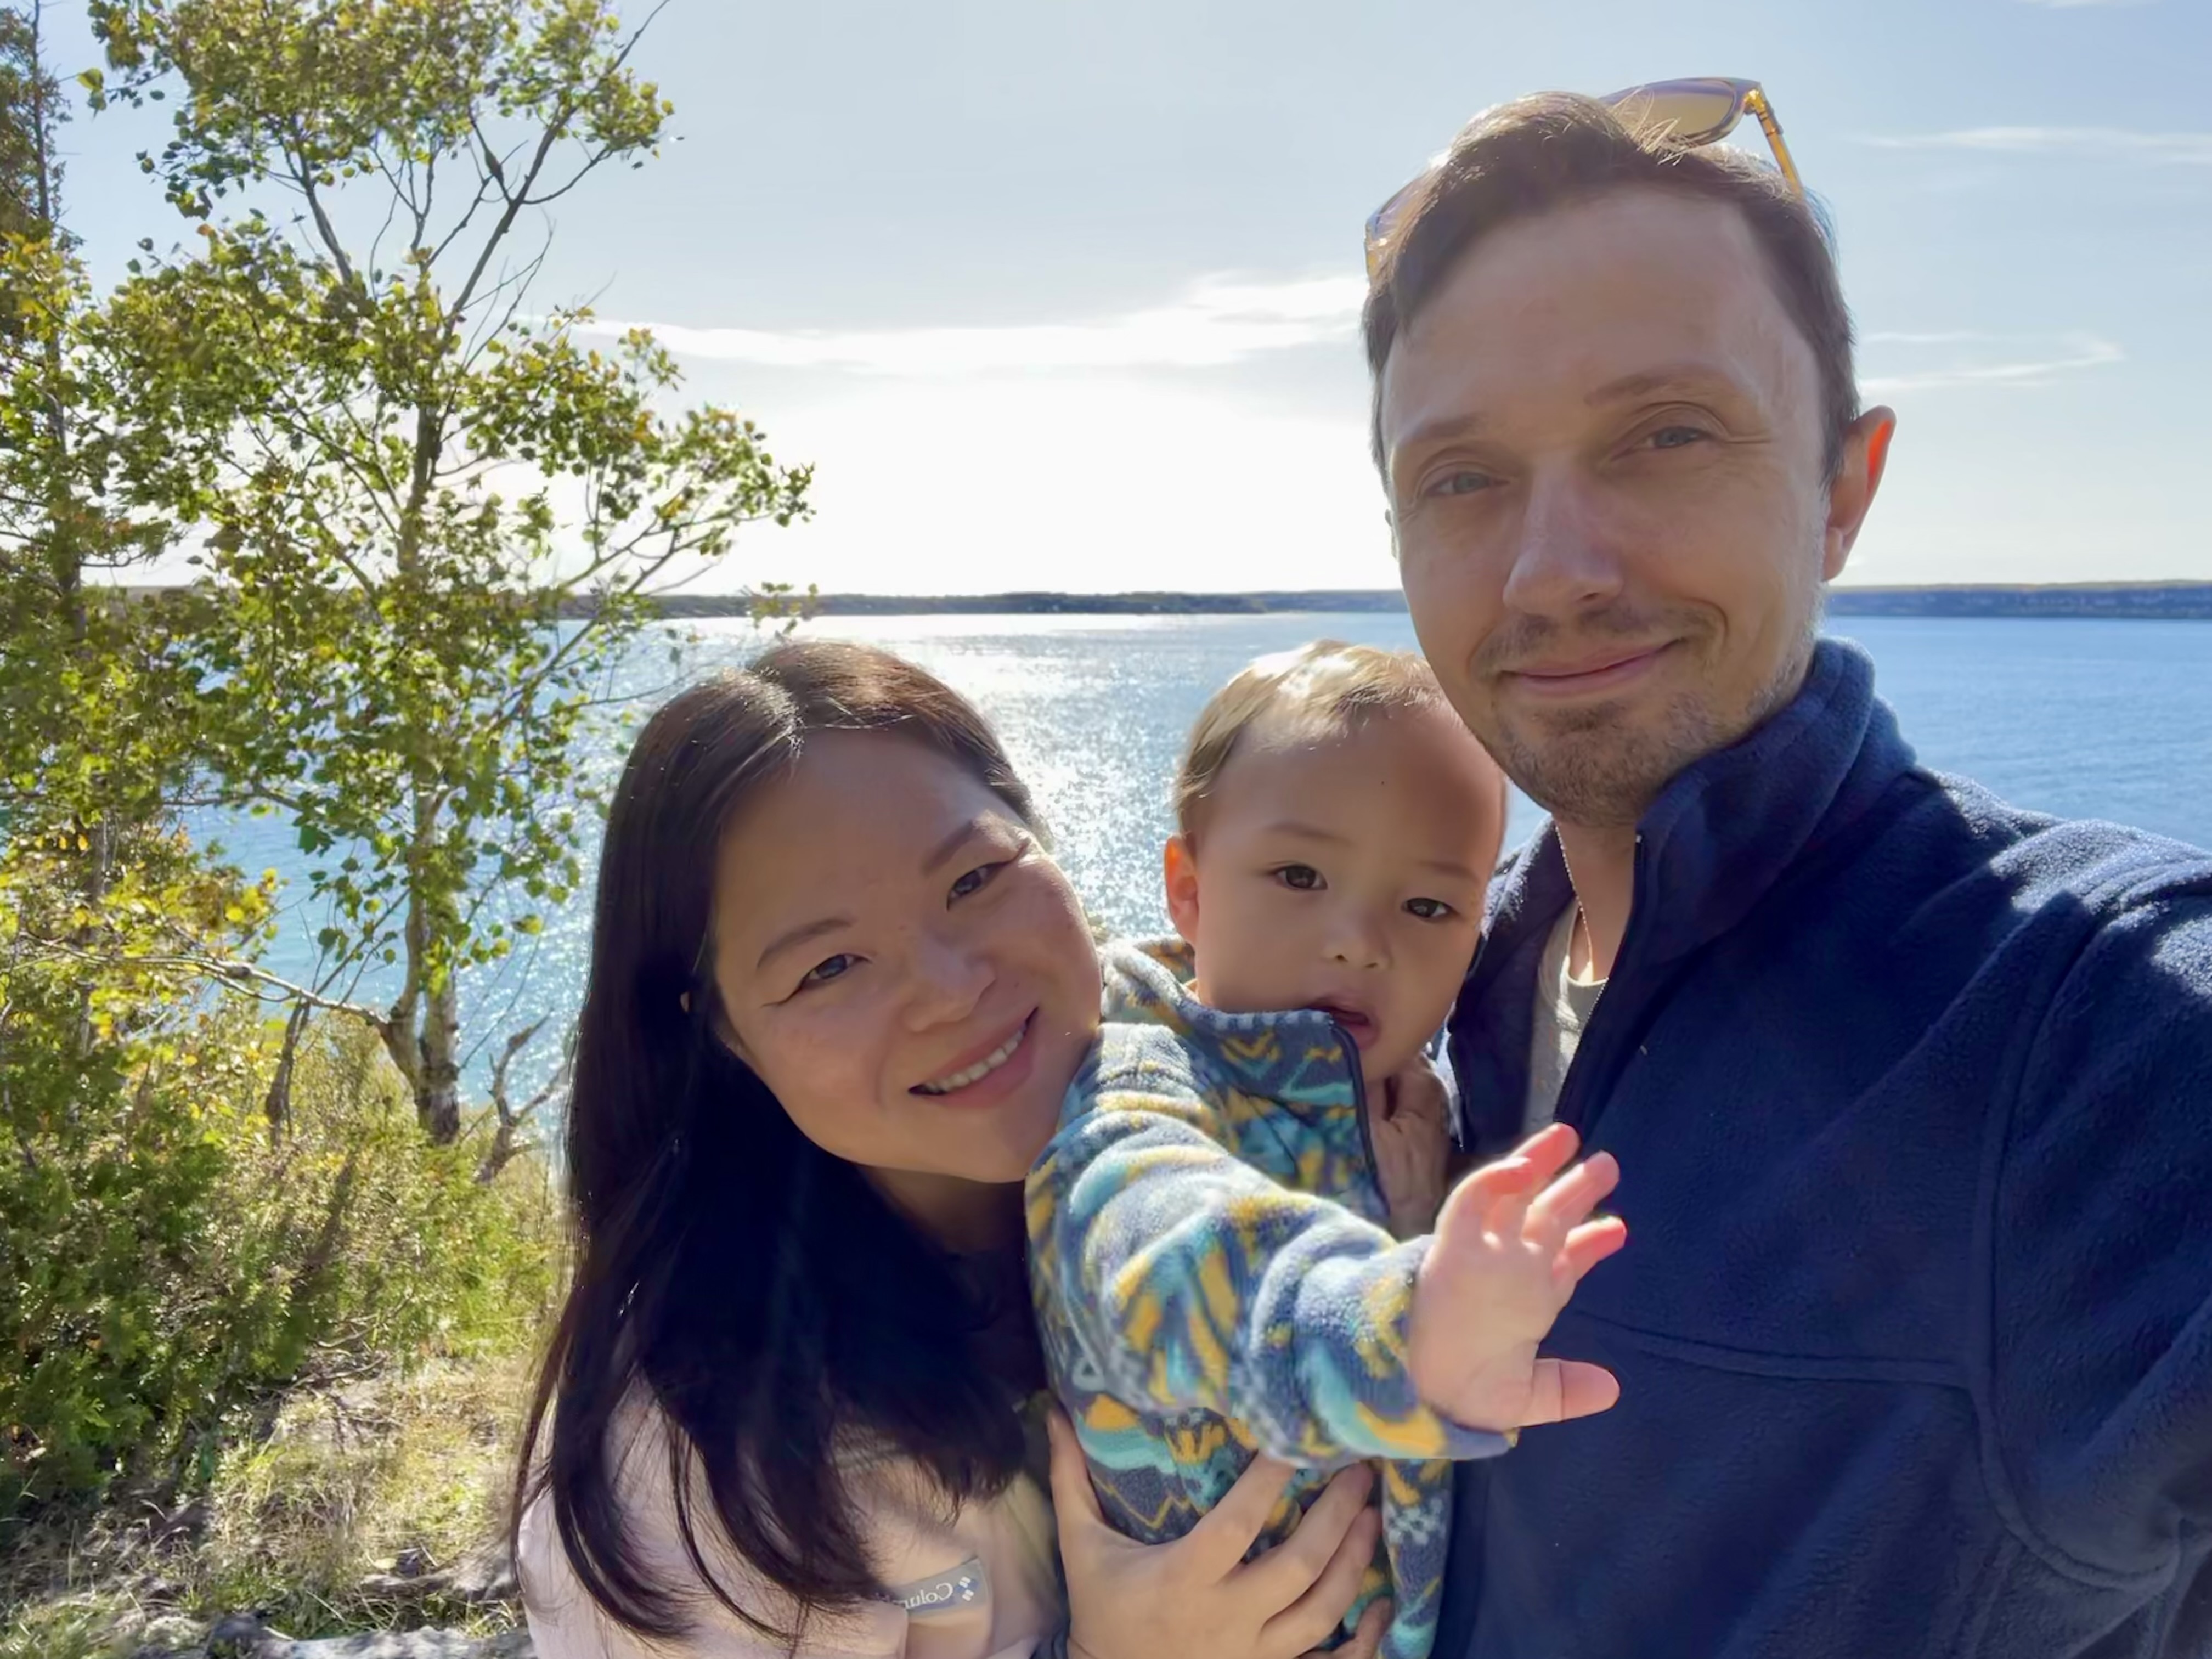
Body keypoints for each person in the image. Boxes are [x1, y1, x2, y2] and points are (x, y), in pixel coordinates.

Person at [1359, 92, 2212, 1657]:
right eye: (1463, 478)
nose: (1552, 569)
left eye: (1664, 434)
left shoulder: (2090, 1024)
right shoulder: (1442, 991)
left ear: (1844, 490)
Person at [510, 639, 1403, 1659]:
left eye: (975, 878)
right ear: (720, 1034)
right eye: (831, 965)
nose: (949, 987)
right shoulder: (694, 1468)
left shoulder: (1249, 1100)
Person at [1028, 640, 1627, 1659]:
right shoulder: (1136, 1075)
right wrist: (1406, 1325)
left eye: (1428, 906)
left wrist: (1410, 1219)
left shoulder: (1411, 1109)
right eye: (1298, 874)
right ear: (1189, 888)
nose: (1358, 937)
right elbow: (1156, 1248)